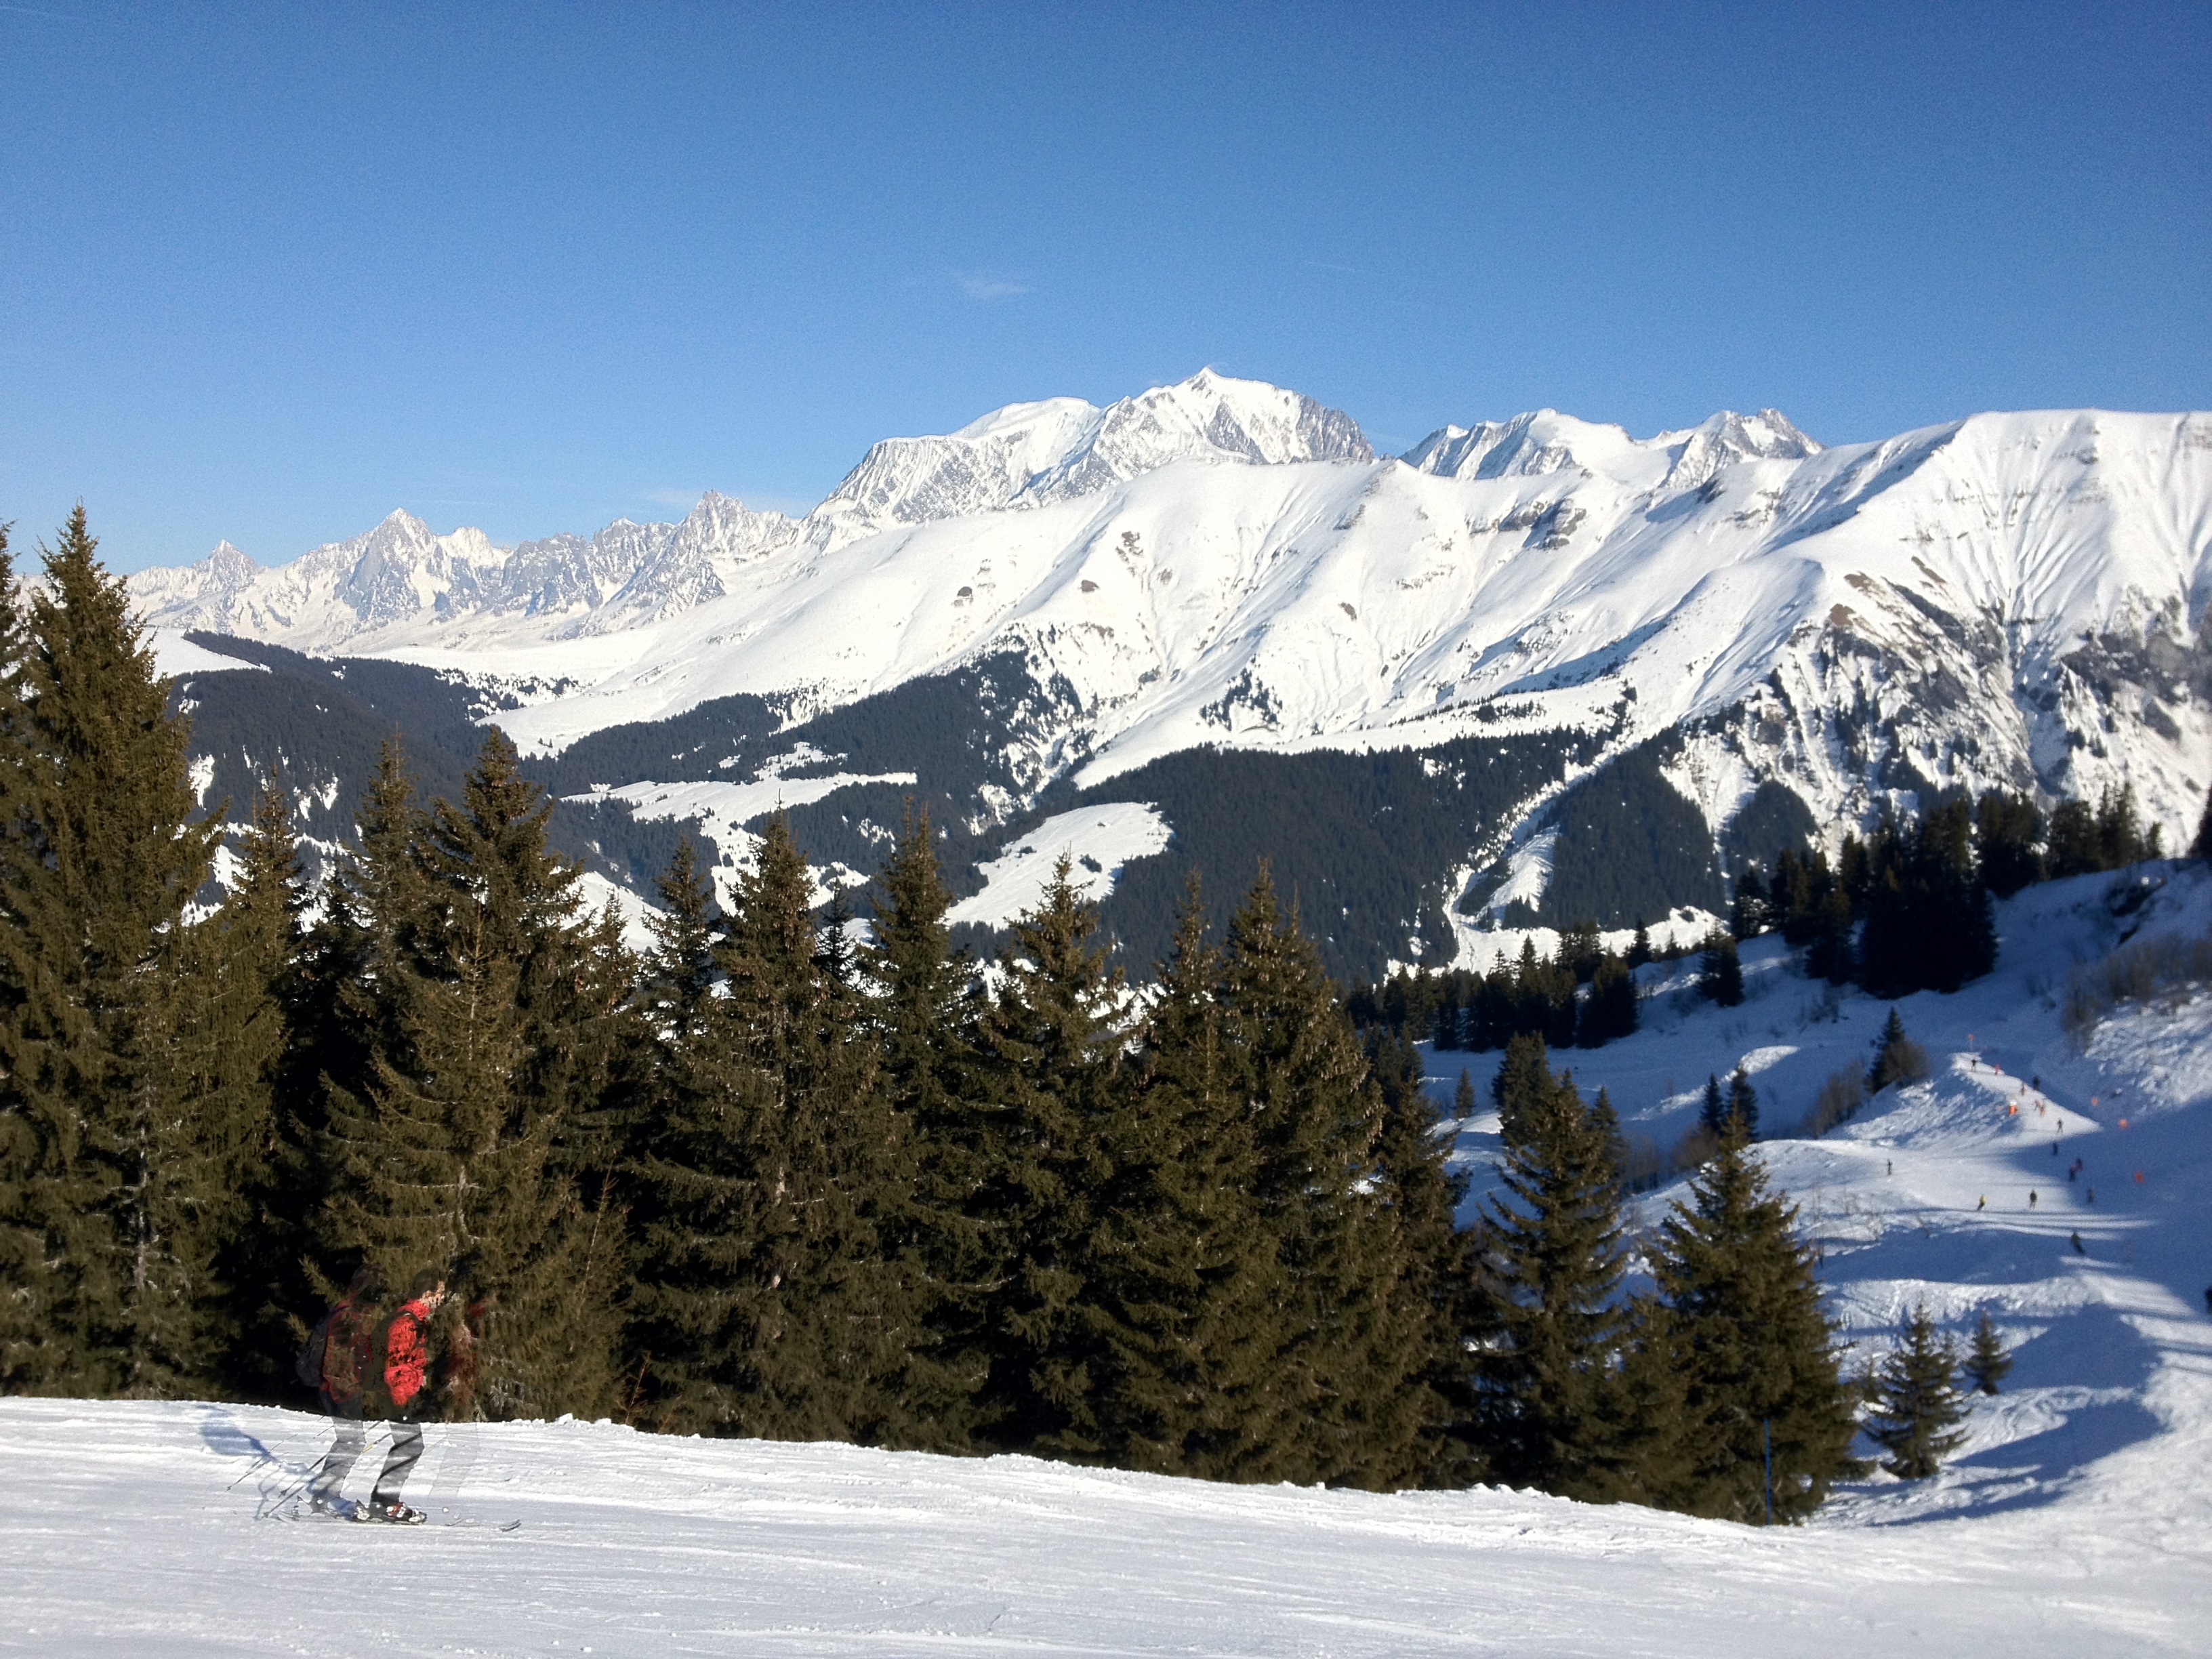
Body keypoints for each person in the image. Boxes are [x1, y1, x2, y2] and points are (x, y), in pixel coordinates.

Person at [361, 1269, 451, 1525]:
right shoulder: (406, 1322)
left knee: (408, 1446)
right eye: (439, 1293)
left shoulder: (414, 1319)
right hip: (395, 1394)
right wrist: (402, 1397)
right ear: (427, 1293)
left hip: (399, 1393)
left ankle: (383, 1500)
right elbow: (396, 1366)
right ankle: (384, 1502)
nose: (442, 1298)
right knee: (410, 1446)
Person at [304, 1265, 386, 1517]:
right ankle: (325, 1494)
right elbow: (337, 1363)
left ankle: (325, 1493)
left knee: (349, 1442)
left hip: (339, 1388)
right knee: (353, 1441)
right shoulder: (347, 1316)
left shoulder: (349, 1312)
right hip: (340, 1390)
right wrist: (348, 1394)